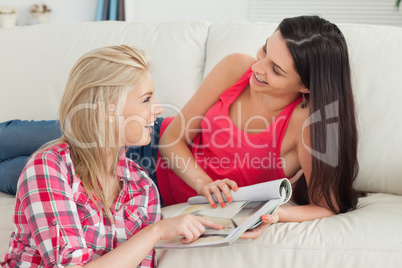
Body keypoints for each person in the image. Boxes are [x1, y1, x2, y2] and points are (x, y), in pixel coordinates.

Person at [0, 45, 222, 268]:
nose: (157, 109)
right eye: (146, 99)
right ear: (106, 110)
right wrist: (157, 231)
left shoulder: (143, 186)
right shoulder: (49, 167)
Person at [155, 15, 360, 239]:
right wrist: (205, 184)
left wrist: (268, 213)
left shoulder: (307, 124)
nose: (257, 66)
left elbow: (325, 206)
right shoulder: (235, 67)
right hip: (147, 146)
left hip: (159, 196)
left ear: (305, 86)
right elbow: (170, 139)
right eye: (264, 49)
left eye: (276, 70)